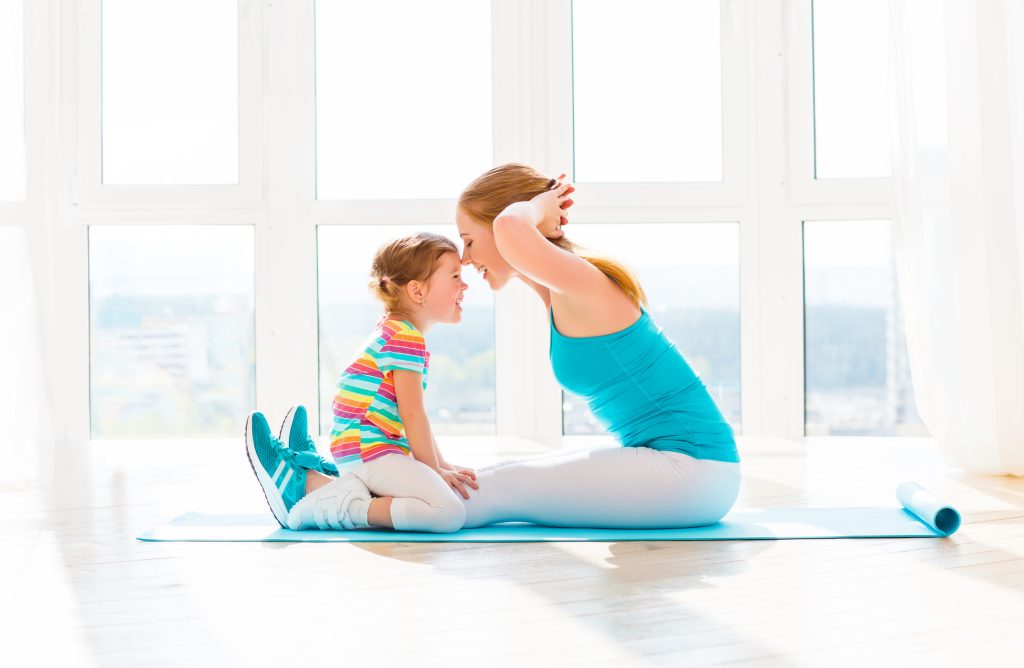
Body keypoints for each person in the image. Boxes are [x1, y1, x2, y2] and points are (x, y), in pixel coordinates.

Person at [455, 163, 741, 529]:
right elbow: (512, 232)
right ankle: (385, 501)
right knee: (494, 476)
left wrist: (541, 208)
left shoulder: (586, 282)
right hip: (687, 471)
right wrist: (538, 218)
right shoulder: (560, 292)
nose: (464, 258)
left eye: (469, 240)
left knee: (501, 488)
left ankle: (369, 512)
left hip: (693, 469)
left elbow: (509, 227)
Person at [244, 232, 478, 533]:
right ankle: (320, 498)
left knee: (442, 499)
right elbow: (413, 414)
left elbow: (413, 416)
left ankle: (314, 476)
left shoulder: (395, 330)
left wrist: (441, 466)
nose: (465, 285)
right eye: (455, 276)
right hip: (372, 454)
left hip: (363, 451)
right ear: (417, 291)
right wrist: (434, 470)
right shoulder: (406, 338)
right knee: (448, 513)